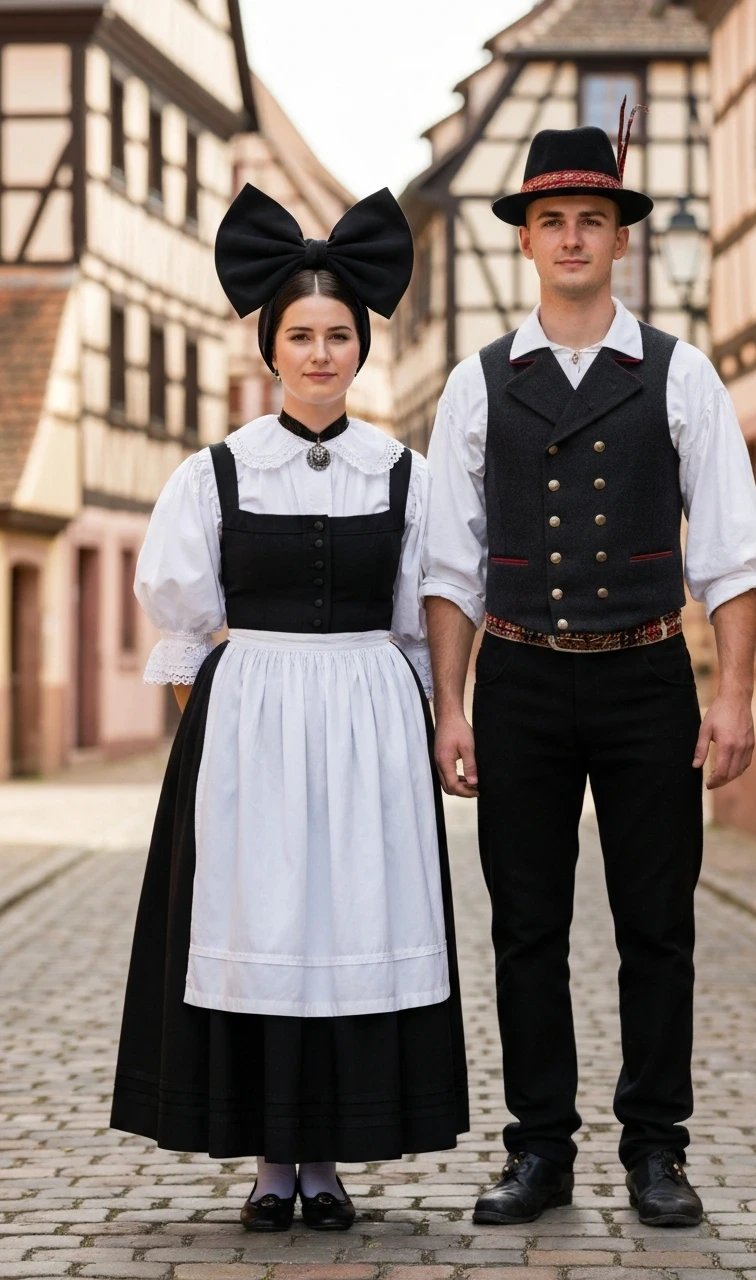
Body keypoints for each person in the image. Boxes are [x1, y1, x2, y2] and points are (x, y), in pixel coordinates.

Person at [421, 119, 756, 1228]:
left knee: (653, 926)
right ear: (525, 240)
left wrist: (735, 696)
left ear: (619, 239)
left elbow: (731, 550)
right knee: (523, 927)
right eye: (549, 220)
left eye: (590, 219)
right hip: (519, 683)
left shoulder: (681, 374)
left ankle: (655, 1148)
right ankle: (538, 1150)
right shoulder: (476, 386)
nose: (570, 237)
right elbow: (448, 562)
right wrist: (450, 704)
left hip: (645, 680)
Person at [110, 184, 468, 1234]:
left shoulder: (402, 473)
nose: (320, 353)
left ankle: (328, 1154)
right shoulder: (212, 474)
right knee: (258, 915)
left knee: (347, 914)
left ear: (360, 348)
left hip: (367, 712)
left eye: (338, 335)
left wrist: (439, 713)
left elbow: (425, 613)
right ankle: (271, 1159)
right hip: (250, 717)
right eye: (301, 336)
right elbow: (186, 626)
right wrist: (209, 759)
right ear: (272, 349)